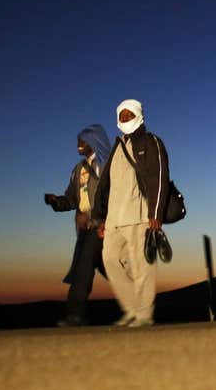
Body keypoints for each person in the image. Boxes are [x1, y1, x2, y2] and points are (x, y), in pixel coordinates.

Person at [93, 100, 173, 327]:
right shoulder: (118, 146)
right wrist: (100, 218)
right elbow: (105, 184)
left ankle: (144, 315)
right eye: (122, 115)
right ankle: (132, 308)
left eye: (130, 115)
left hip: (139, 215)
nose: (126, 119)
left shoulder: (150, 142)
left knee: (141, 265)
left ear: (139, 115)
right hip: (114, 218)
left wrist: (155, 213)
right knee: (110, 260)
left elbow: (159, 177)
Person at [44, 125, 112, 326]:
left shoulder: (106, 164)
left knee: (82, 268)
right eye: (78, 141)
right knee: (108, 268)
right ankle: (137, 295)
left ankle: (75, 314)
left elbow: (112, 195)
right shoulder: (78, 169)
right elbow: (72, 199)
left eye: (82, 141)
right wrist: (56, 201)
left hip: (101, 226)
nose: (78, 145)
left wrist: (103, 220)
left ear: (93, 142)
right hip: (84, 229)